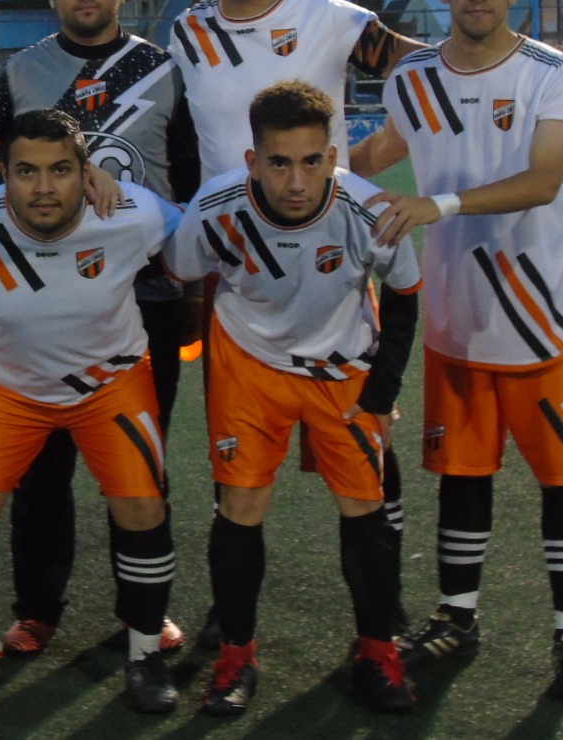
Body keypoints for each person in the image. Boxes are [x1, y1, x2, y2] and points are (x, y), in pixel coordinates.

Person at [353, 0, 563, 704]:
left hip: (540, 324)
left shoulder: (552, 73)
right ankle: (457, 617)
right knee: (462, 477)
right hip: (455, 325)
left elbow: (542, 180)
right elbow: (378, 152)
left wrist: (439, 205)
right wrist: (292, 169)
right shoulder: (412, 78)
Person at [165, 80, 421, 715]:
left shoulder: (368, 210)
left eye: (312, 161)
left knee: (365, 507)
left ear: (333, 156)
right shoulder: (217, 206)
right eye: (279, 162)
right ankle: (235, 656)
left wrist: (382, 391)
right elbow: (181, 271)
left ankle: (377, 650)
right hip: (249, 365)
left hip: (343, 370)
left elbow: (407, 294)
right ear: (253, 161)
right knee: (241, 505)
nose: (297, 180)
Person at [0, 109, 184, 715]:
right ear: (3, 175)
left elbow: (205, 242)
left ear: (85, 170)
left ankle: (145, 651)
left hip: (110, 382)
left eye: (61, 170)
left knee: (144, 505)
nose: (44, 187)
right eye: (27, 172)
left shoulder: (134, 212)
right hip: (6, 386)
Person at [0, 0, 197, 656]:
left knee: (139, 463)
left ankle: (144, 610)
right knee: (41, 465)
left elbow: (189, 180)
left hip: (147, 298)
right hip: (44, 298)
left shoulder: (163, 69)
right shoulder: (20, 72)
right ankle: (38, 608)